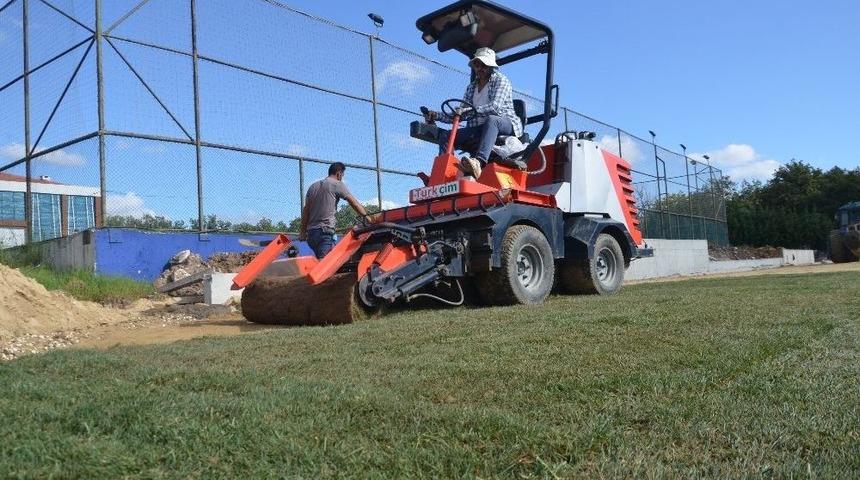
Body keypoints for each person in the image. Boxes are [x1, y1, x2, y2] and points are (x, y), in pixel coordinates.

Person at [424, 47, 523, 179]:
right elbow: (460, 114)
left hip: (504, 125)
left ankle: (479, 162)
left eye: (485, 65)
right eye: (477, 64)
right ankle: (446, 175)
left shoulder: (501, 81)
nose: (480, 68)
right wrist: (436, 115)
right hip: (480, 129)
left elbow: (495, 108)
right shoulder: (471, 87)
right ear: (474, 66)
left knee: (492, 120)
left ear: (491, 66)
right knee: (446, 136)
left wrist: (469, 110)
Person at [299, 162, 367, 259]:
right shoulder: (337, 184)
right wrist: (367, 217)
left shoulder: (312, 187)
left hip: (311, 234)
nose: (342, 177)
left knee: (320, 262)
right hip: (324, 233)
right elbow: (354, 203)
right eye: (342, 175)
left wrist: (302, 232)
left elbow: (306, 211)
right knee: (324, 267)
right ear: (339, 173)